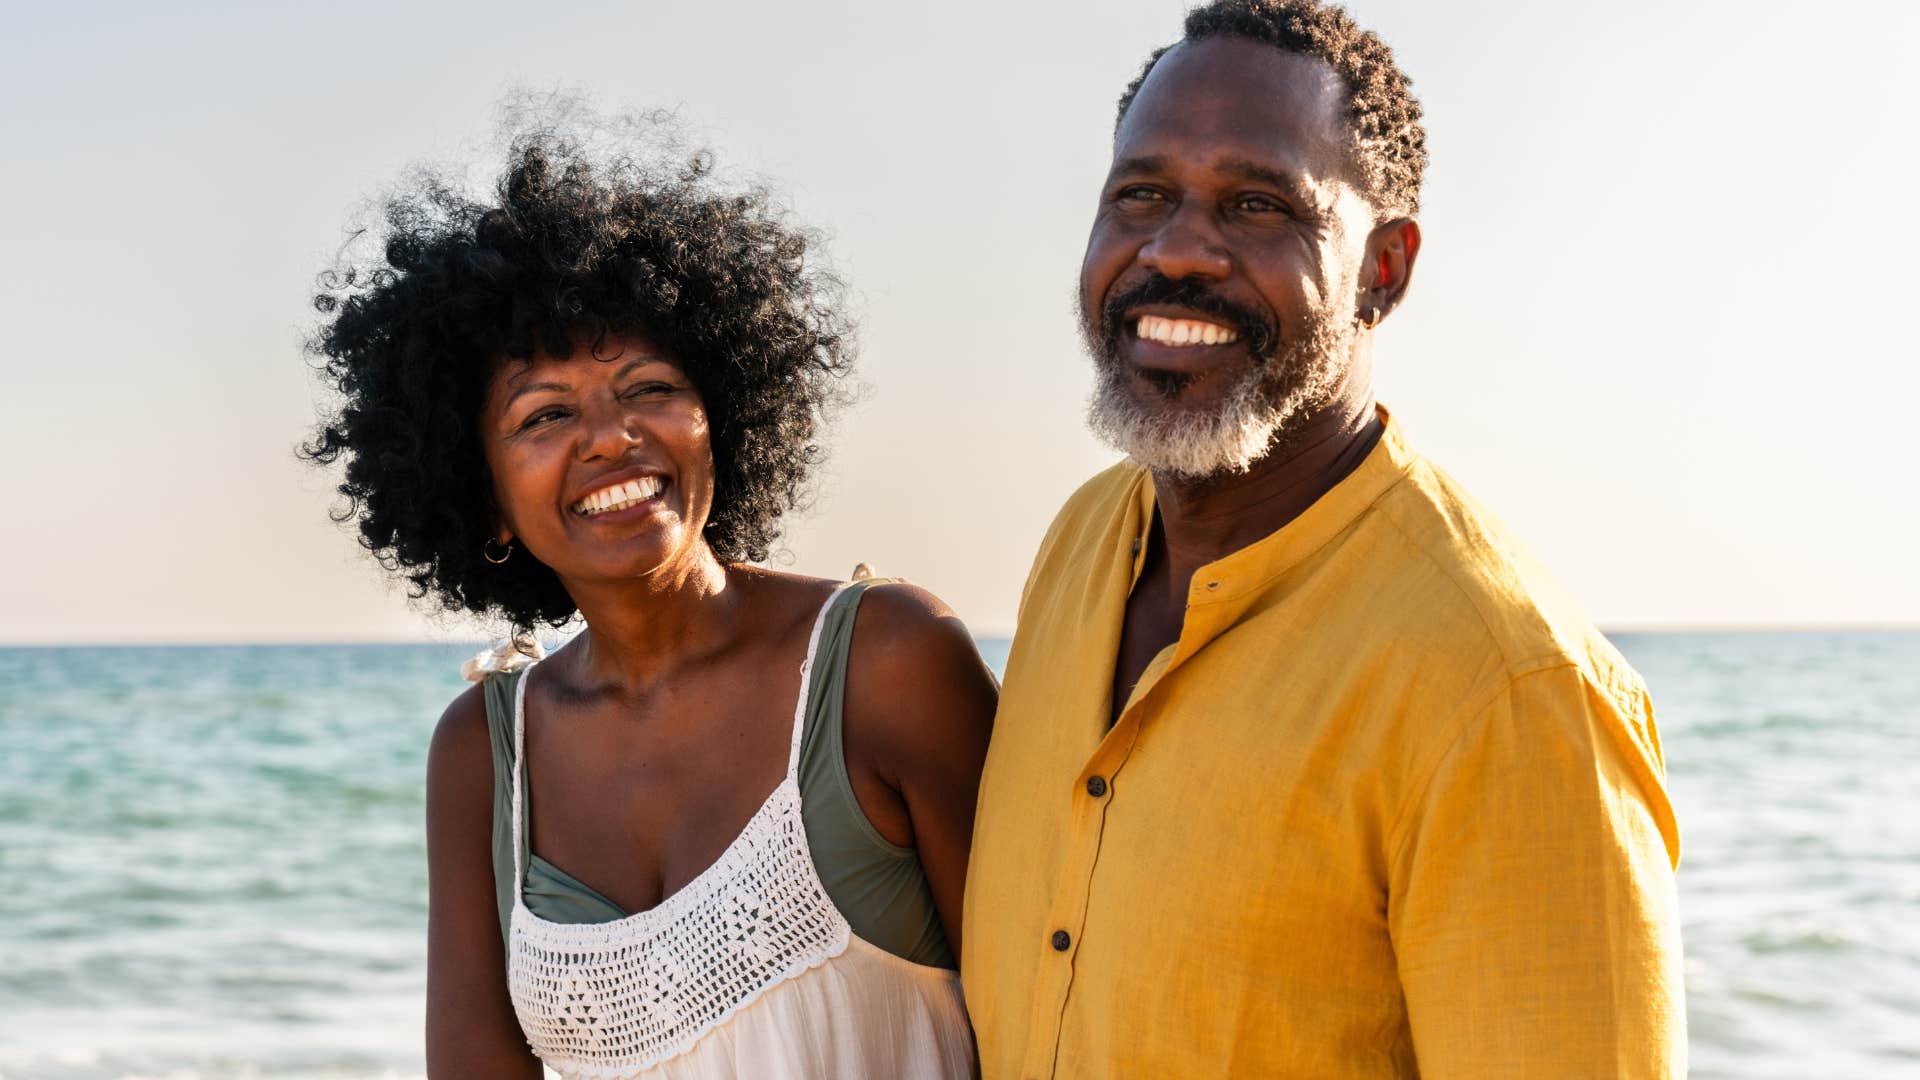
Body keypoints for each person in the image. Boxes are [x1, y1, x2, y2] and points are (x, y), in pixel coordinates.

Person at [961, 1, 1685, 1076]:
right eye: (1141, 195)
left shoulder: (1508, 690)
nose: (1177, 252)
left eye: (1258, 206)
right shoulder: (1080, 543)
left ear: (1383, 271)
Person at [303, 124, 996, 1078]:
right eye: (544, 414)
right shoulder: (483, 756)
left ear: (726, 421)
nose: (609, 436)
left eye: (650, 387)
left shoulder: (887, 661)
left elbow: (1051, 1021)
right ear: (482, 498)